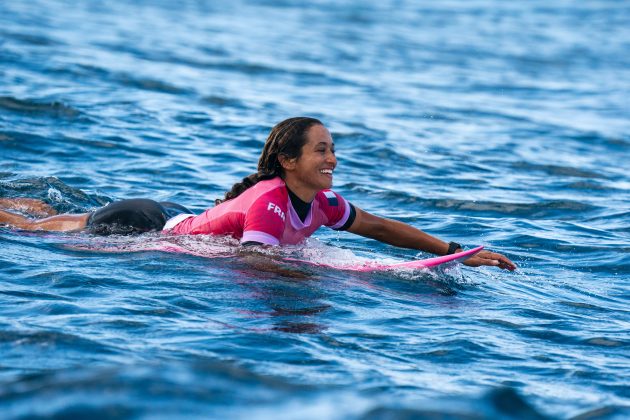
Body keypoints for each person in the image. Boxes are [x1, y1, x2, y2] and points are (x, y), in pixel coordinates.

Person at [0, 117, 516, 270]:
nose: (332, 159)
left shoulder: (324, 203)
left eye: (333, 149)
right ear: (289, 162)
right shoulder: (270, 203)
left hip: (179, 216)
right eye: (321, 151)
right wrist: (340, 276)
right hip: (141, 222)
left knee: (55, 215)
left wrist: (453, 251)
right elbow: (255, 264)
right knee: (33, 229)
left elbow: (380, 228)